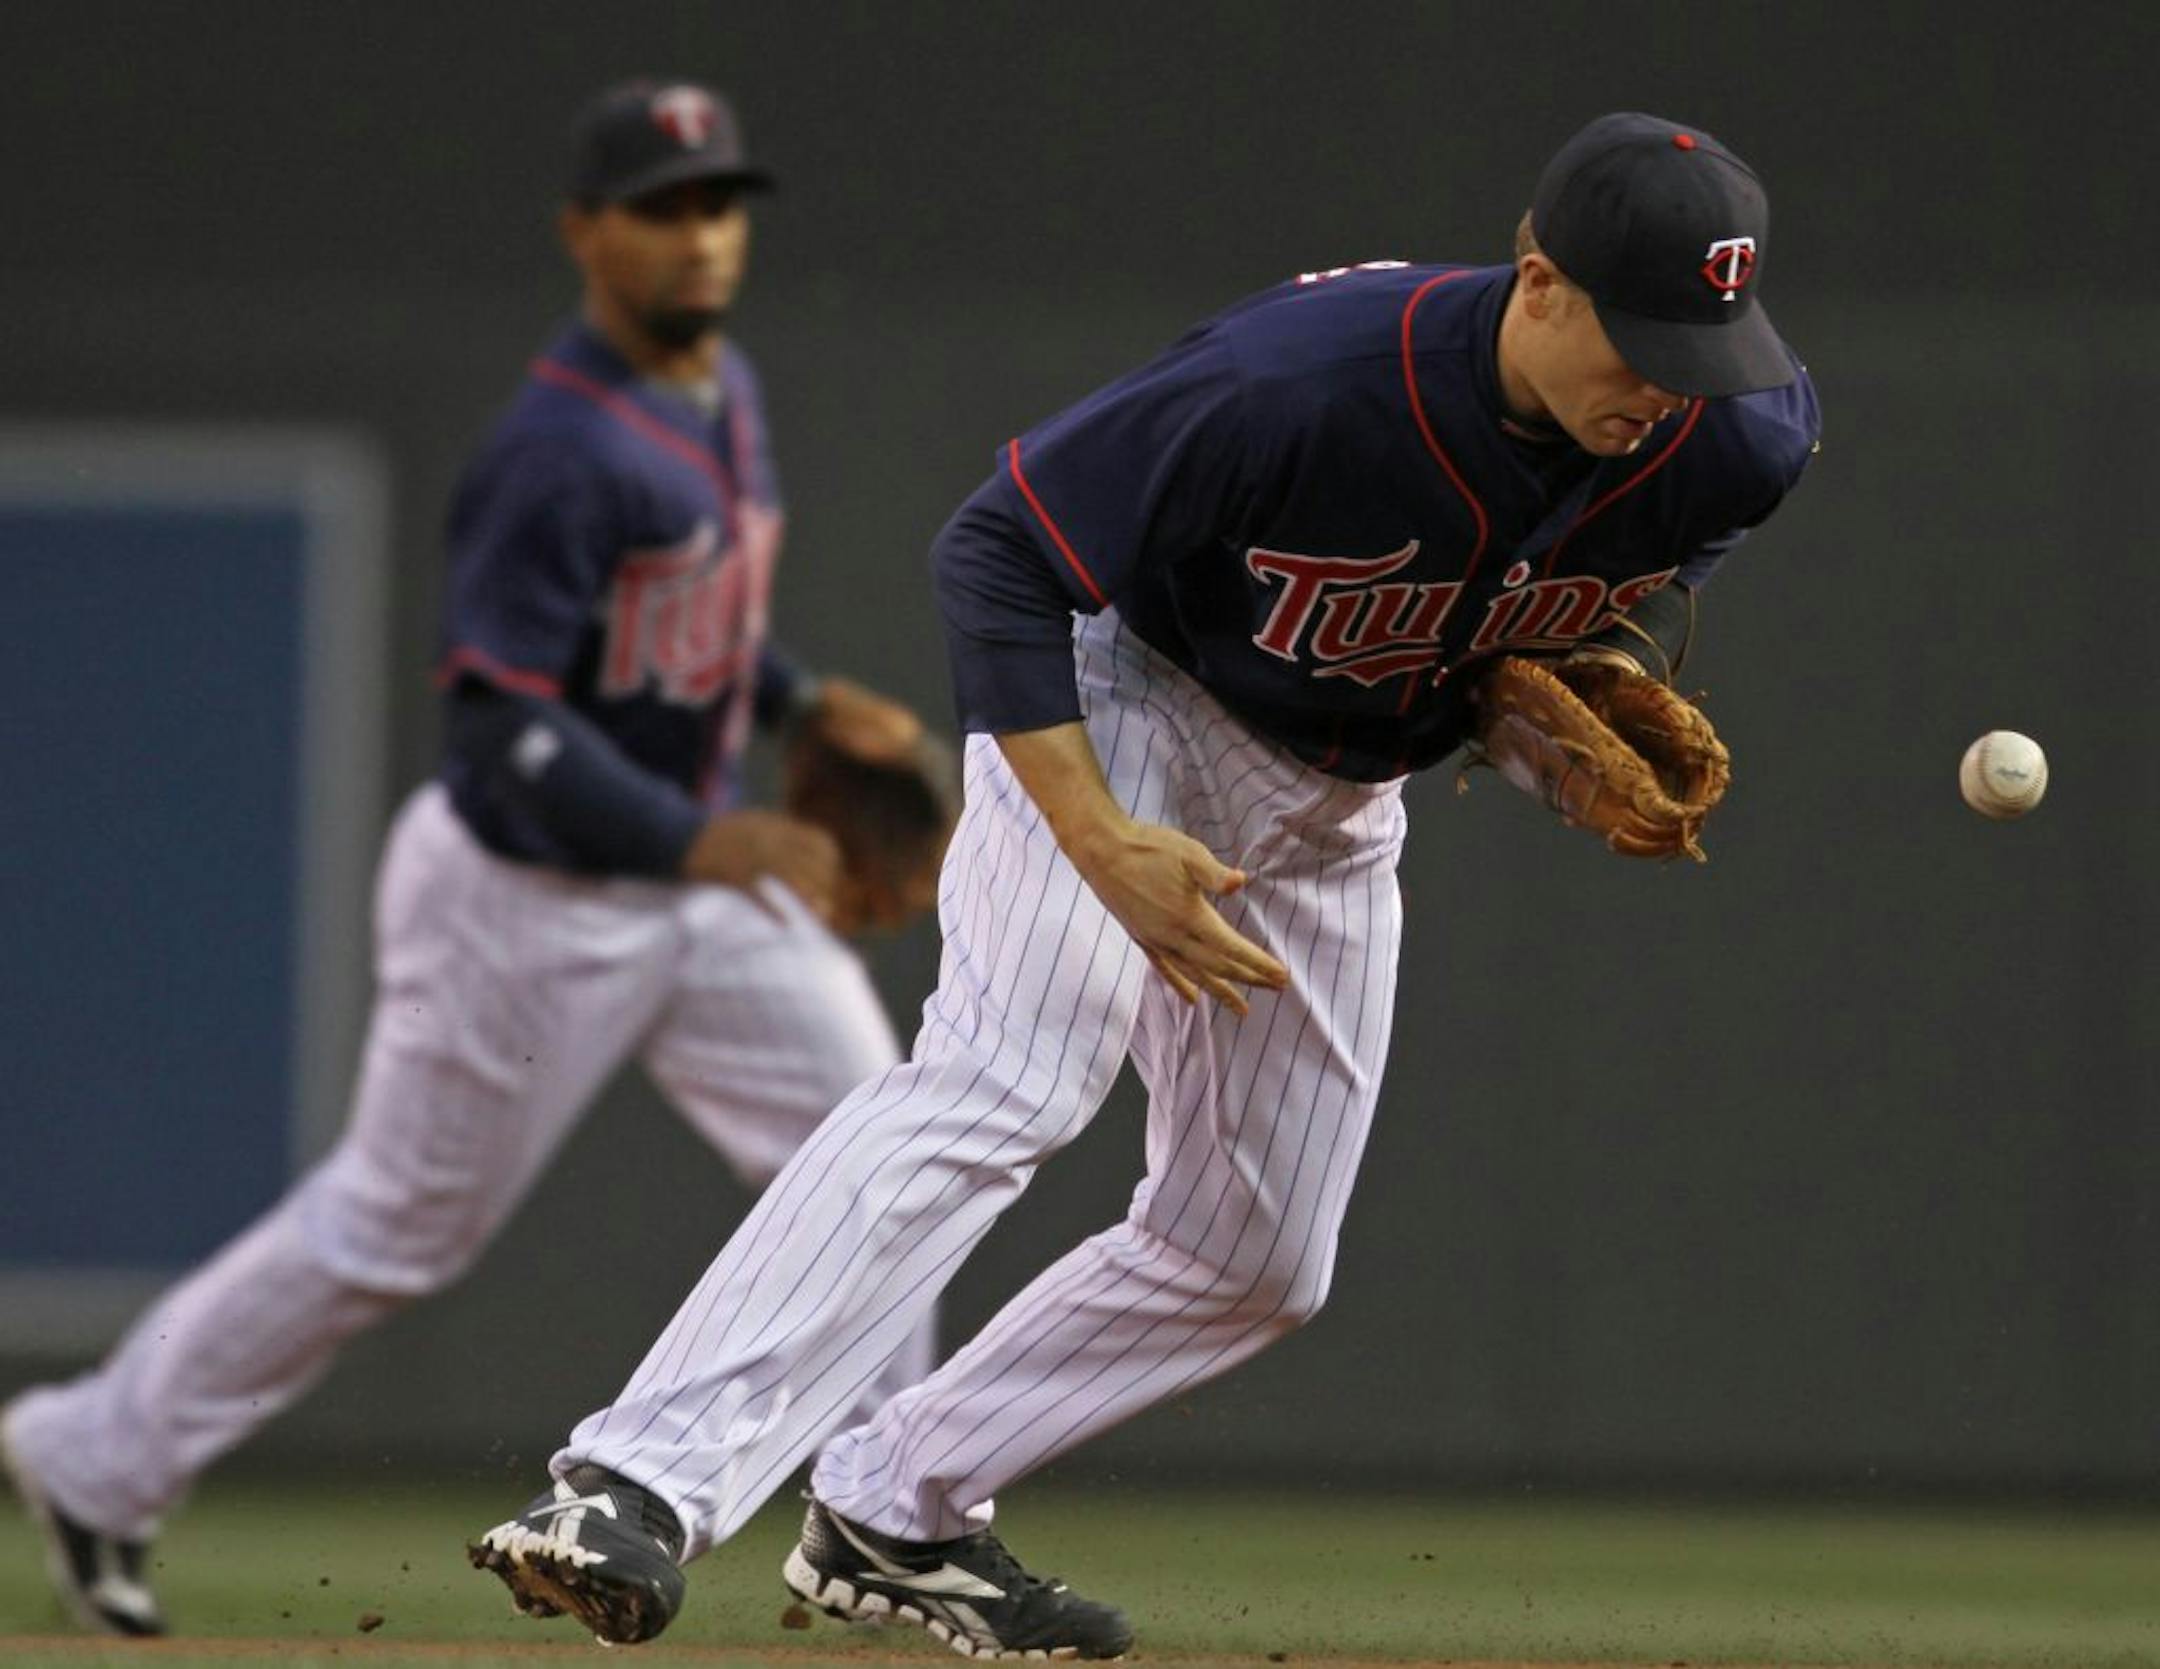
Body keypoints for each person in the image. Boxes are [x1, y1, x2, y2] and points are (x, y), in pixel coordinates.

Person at [469, 110, 1823, 1657]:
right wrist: (1101, 840)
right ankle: (630, 1481)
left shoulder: (1743, 435)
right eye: (1643, 344)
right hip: (1136, 701)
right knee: (1012, 1074)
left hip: (1337, 789)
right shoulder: (1300, 382)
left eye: (1700, 349)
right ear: (1540, 281)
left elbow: (1614, 589)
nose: (1667, 391)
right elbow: (996, 554)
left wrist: (1539, 680)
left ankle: (896, 1504)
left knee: (1259, 1253)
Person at [0, 77, 948, 1638]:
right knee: (396, 1222)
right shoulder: (553, 450)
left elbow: (669, 628)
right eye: (662, 207)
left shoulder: (724, 388)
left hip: (699, 896)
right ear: (586, 233)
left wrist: (788, 694)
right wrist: (710, 833)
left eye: (719, 204)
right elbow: (502, 727)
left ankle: (877, 1508)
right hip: (522, 901)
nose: (701, 236)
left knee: (886, 1157)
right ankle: (95, 1456)